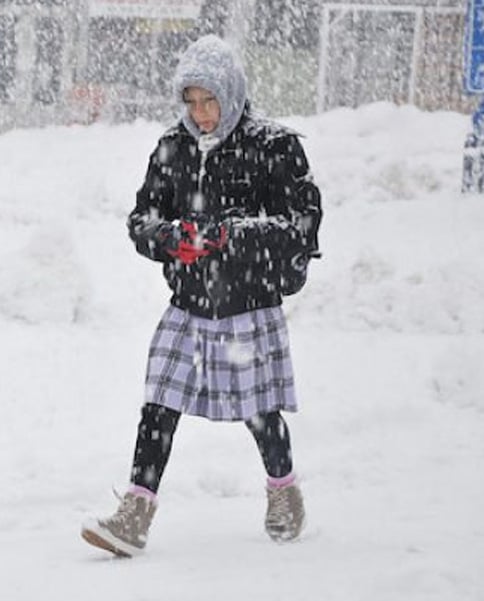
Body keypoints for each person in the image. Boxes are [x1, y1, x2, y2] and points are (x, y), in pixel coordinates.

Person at [81, 35, 322, 556]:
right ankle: (135, 513)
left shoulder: (275, 146)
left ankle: (284, 492)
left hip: (249, 304)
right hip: (189, 303)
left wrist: (231, 234)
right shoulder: (173, 146)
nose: (200, 113)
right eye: (191, 102)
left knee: (259, 412)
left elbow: (301, 226)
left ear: (232, 94)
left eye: (209, 100)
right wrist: (170, 238)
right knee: (159, 405)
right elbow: (142, 218)